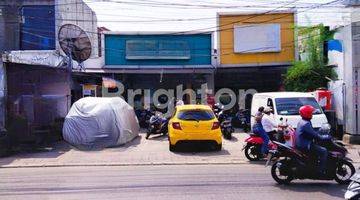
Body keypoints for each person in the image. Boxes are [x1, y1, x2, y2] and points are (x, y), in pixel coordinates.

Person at [295, 105, 329, 175]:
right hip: (305, 144)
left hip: (302, 142)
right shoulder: (306, 123)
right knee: (324, 151)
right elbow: (314, 134)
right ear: (307, 113)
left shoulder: (303, 121)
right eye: (311, 113)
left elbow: (312, 132)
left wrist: (319, 132)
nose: (312, 114)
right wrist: (324, 137)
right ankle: (320, 170)